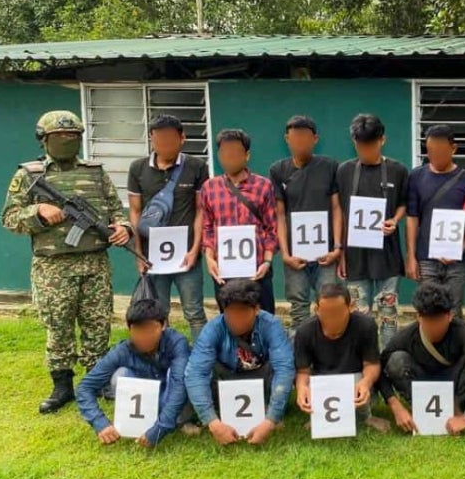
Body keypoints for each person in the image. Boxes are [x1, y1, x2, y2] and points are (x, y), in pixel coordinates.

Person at [2, 110, 133, 414]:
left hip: (95, 264)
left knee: (97, 324)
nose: (67, 140)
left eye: (73, 136)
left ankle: (97, 379)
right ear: (43, 139)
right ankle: (62, 386)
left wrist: (123, 227)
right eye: (60, 136)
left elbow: (116, 209)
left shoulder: (95, 172)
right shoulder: (29, 175)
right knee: (58, 327)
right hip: (53, 268)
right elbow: (9, 218)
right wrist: (38, 212)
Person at [127, 114, 209, 341]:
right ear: (151, 139)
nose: (164, 145)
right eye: (158, 139)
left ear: (182, 138)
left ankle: (201, 359)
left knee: (194, 312)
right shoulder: (138, 168)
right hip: (152, 257)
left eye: (170, 139)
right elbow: (135, 212)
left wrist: (195, 249)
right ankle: (162, 356)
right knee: (157, 313)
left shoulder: (197, 167)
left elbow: (201, 210)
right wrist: (138, 253)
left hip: (187, 256)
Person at [184, 279, 294, 446]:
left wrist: (270, 421)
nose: (236, 319)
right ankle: (213, 413)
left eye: (242, 312)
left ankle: (269, 410)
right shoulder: (213, 328)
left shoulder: (271, 324)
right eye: (230, 313)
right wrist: (213, 423)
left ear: (256, 309)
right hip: (226, 378)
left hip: (261, 378)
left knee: (284, 363)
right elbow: (195, 374)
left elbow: (284, 369)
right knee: (194, 366)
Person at [76, 299, 197, 446]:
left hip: (171, 396)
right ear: (129, 329)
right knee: (119, 375)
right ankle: (137, 420)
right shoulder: (122, 350)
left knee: (185, 374)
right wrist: (100, 423)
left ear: (163, 325)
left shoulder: (177, 343)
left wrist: (160, 428)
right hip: (145, 402)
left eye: (150, 329)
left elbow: (179, 387)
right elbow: (85, 388)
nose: (144, 336)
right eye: (138, 330)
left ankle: (181, 420)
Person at [380, 282, 465, 436]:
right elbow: (378, 368)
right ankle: (420, 409)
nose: (434, 327)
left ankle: (459, 411)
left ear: (450, 316)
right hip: (422, 383)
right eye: (428, 321)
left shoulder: (461, 331)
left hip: (454, 382)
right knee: (396, 361)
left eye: (439, 320)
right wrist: (395, 405)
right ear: (419, 317)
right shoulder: (407, 336)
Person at [336, 114, 409, 348]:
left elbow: (404, 203)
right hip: (355, 256)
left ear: (382, 140)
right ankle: (364, 359)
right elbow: (341, 213)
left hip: (388, 254)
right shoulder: (344, 171)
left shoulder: (398, 170)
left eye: (370, 145)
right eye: (360, 145)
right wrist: (341, 252)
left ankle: (388, 359)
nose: (365, 150)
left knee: (388, 313)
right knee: (359, 315)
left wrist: (395, 220)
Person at [269, 115, 342, 337]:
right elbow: (280, 214)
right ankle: (301, 350)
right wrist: (285, 254)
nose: (300, 142)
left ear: (315, 139)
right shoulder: (278, 170)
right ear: (287, 139)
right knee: (298, 307)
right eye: (295, 137)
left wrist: (337, 247)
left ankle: (328, 349)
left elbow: (337, 208)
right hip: (295, 254)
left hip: (326, 253)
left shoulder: (330, 166)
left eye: (305, 137)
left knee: (329, 302)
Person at [200, 129, 279, 314]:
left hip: (257, 269)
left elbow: (272, 227)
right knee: (230, 318)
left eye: (235, 152)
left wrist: (267, 262)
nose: (230, 157)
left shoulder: (264, 185)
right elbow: (207, 227)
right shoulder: (209, 187)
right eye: (224, 153)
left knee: (263, 316)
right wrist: (209, 259)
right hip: (224, 269)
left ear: (247, 155)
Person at [293, 283, 389, 432]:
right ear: (317, 310)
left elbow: (372, 364)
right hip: (323, 382)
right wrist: (302, 388)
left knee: (361, 387)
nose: (332, 319)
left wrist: (366, 382)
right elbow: (303, 371)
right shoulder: (305, 331)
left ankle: (365, 416)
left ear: (351, 307)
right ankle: (320, 416)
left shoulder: (366, 326)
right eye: (326, 313)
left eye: (338, 313)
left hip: (356, 381)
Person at [405, 124, 465, 313]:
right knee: (428, 310)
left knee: (454, 311)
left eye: (440, 151)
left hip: (456, 260)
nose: (435, 156)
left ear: (453, 148)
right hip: (426, 258)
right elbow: (412, 218)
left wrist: (463, 246)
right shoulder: (416, 177)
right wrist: (411, 256)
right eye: (430, 151)